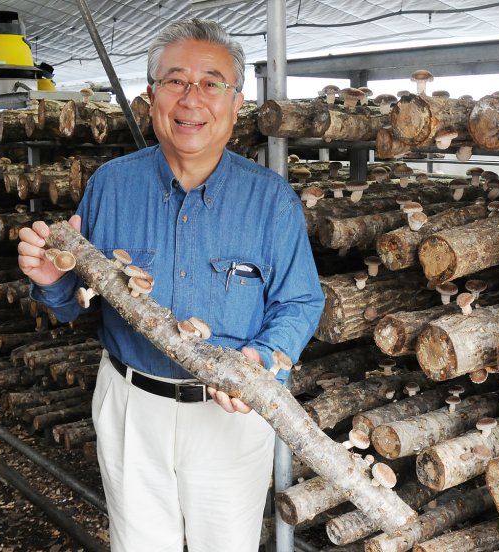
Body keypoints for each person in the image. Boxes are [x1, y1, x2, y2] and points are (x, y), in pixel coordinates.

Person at [16, 18, 324, 552]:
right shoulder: (112, 186)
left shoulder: (271, 200)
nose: (192, 99)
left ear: (235, 101)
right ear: (151, 96)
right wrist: (53, 283)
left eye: (211, 83)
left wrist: (264, 359)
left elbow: (300, 299)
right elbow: (73, 304)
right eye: (175, 81)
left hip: (229, 412)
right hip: (131, 402)